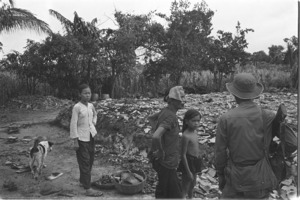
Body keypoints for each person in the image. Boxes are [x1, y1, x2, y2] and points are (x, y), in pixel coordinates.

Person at [215, 73, 278, 199]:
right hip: (261, 178)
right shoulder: (269, 116)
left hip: (236, 178)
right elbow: (291, 143)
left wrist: (220, 174)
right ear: (254, 94)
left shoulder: (226, 119)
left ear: (234, 94)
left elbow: (220, 152)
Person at [149, 86, 185, 199]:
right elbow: (156, 136)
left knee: (164, 188)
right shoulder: (171, 117)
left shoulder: (165, 111)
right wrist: (160, 151)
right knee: (173, 194)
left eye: (183, 98)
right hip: (166, 161)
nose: (183, 102)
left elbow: (150, 118)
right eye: (180, 99)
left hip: (164, 161)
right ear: (172, 101)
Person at [70, 84, 103, 197]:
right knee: (84, 162)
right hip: (81, 138)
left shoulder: (91, 106)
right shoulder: (77, 107)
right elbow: (73, 124)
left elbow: (95, 114)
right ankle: (88, 189)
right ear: (80, 94)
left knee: (90, 160)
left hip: (91, 136)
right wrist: (75, 140)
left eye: (89, 93)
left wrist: (93, 122)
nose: (88, 95)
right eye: (85, 93)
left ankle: (83, 181)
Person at [178, 109, 202, 199]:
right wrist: (188, 171)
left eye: (198, 121)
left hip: (195, 161)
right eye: (193, 121)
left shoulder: (195, 132)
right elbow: (183, 154)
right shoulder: (185, 135)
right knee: (185, 186)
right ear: (187, 121)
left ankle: (191, 198)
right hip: (188, 162)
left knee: (193, 184)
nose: (196, 123)